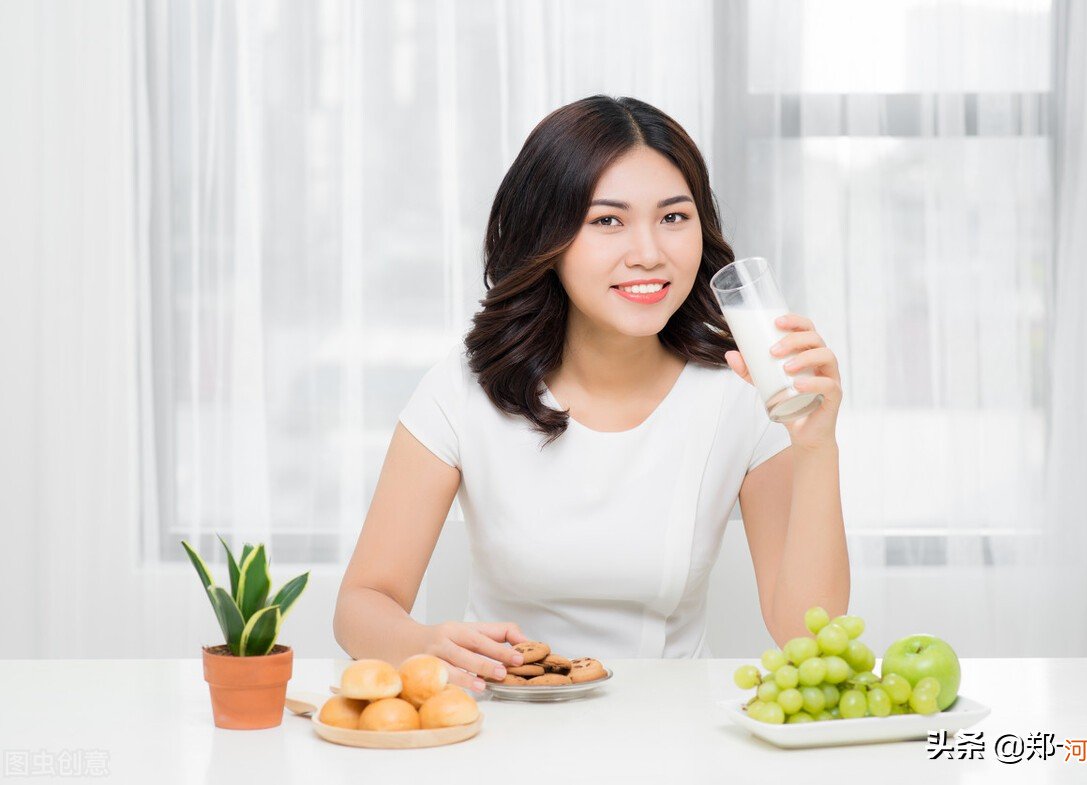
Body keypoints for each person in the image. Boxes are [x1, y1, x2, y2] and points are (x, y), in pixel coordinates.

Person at [333, 95, 849, 693]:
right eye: (607, 220)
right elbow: (360, 604)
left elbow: (809, 637)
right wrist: (422, 645)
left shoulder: (742, 390)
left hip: (672, 734)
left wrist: (816, 447)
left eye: (674, 217)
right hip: (502, 726)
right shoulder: (467, 385)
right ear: (547, 238)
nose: (649, 253)